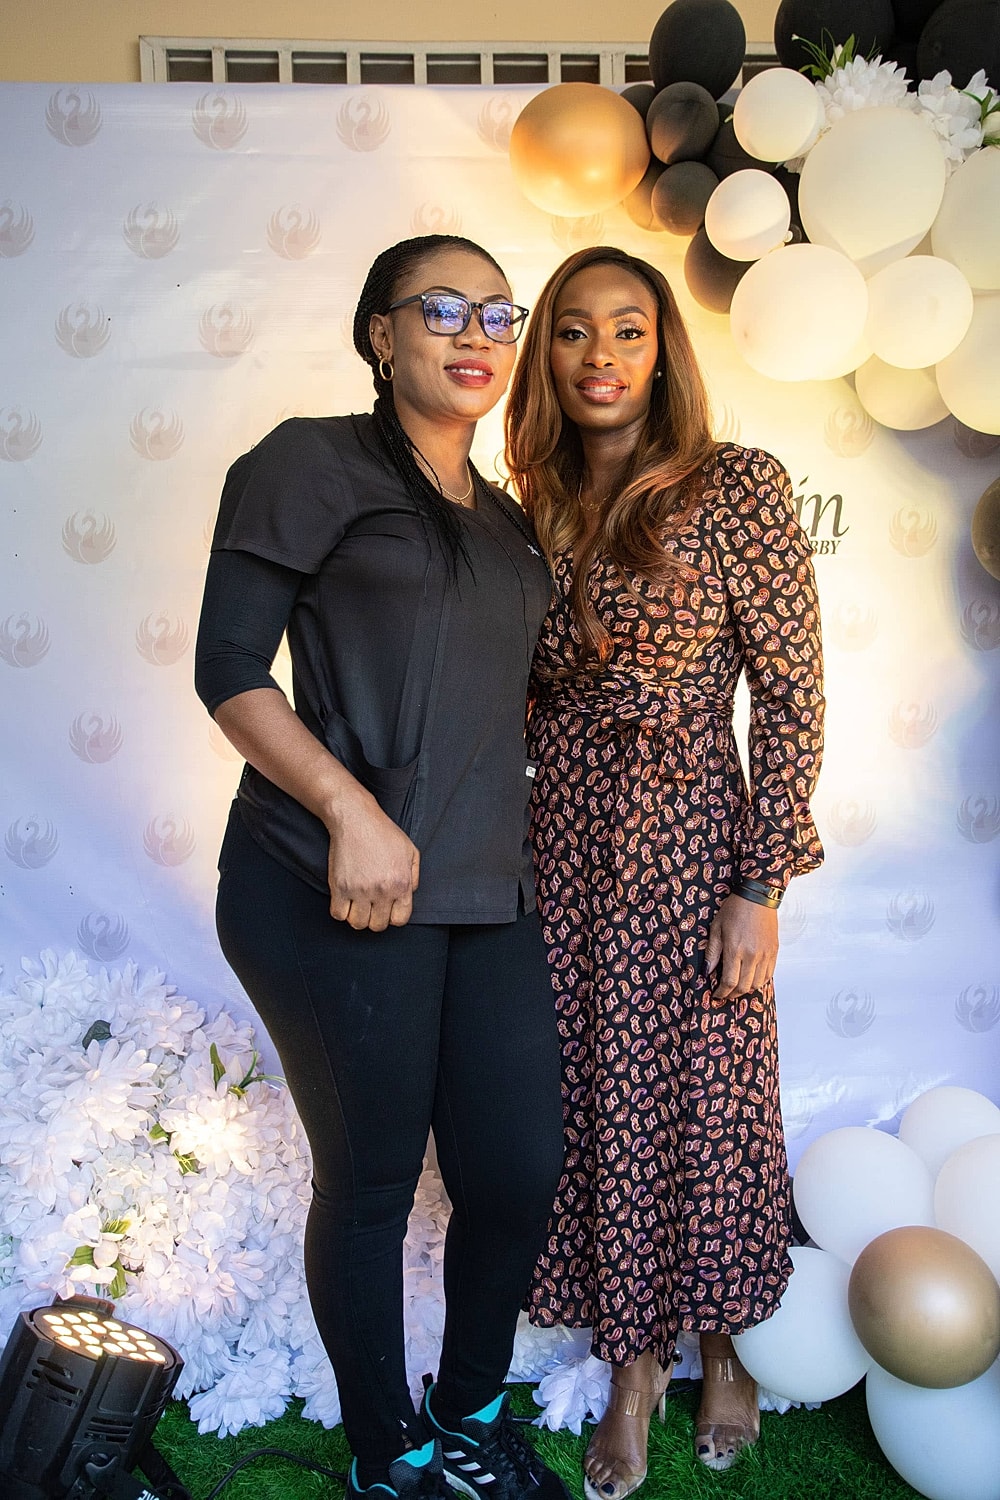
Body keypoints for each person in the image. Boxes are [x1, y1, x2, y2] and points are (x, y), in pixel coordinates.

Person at [194, 234, 571, 1500]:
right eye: (442, 309)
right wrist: (350, 808)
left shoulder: (511, 523)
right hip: (326, 883)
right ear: (381, 335)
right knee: (366, 1184)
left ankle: (464, 1413)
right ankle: (387, 1453)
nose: (477, 336)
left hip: (484, 888)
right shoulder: (309, 461)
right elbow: (229, 669)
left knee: (516, 1170)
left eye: (499, 315)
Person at [505, 246, 824, 1498]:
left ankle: (722, 1342)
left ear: (661, 351)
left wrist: (762, 884)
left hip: (694, 834)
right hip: (566, 844)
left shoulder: (736, 484)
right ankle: (631, 1362)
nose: (599, 355)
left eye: (626, 330)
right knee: (597, 1099)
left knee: (704, 1096)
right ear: (547, 356)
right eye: (574, 332)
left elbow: (791, 695)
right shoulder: (526, 506)